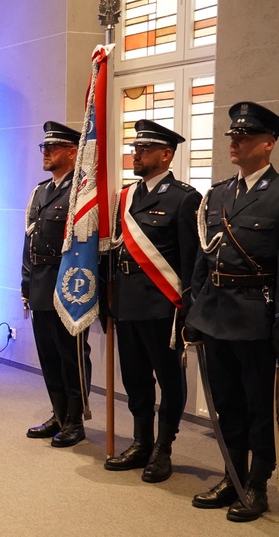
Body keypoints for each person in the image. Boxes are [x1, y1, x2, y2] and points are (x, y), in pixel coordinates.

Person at [186, 101, 279, 522]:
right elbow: (204, 258)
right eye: (233, 136)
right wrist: (195, 311)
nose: (235, 143)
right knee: (226, 404)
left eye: (245, 137)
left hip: (256, 315)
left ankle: (257, 485)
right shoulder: (218, 193)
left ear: (269, 144)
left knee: (258, 407)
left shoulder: (276, 194)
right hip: (216, 313)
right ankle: (232, 476)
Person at [105, 120, 202, 482]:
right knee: (134, 378)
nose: (137, 155)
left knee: (169, 379)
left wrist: (189, 310)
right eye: (136, 149)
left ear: (166, 154)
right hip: (127, 302)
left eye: (145, 150)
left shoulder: (184, 198)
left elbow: (191, 261)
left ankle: (163, 447)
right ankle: (141, 441)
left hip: (163, 305)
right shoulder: (126, 197)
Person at [21, 121, 92, 448]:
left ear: (73, 152)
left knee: (71, 356)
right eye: (44, 147)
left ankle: (76, 420)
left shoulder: (82, 192)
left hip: (69, 286)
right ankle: (59, 414)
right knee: (49, 357)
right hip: (40, 285)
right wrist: (25, 283)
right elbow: (29, 242)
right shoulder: (41, 191)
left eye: (53, 147)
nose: (46, 152)